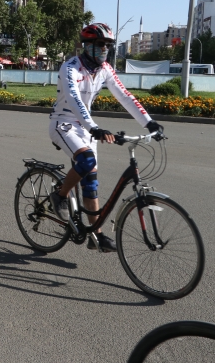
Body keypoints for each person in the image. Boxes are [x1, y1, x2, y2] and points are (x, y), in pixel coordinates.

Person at [48, 23, 164, 252]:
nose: (105, 49)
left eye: (108, 45)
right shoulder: (70, 67)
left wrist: (148, 122)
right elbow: (74, 100)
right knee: (87, 161)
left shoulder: (106, 70)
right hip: (63, 123)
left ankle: (96, 235)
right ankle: (59, 196)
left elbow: (125, 96)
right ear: (87, 45)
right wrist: (94, 128)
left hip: (86, 127)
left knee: (91, 183)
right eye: (101, 44)